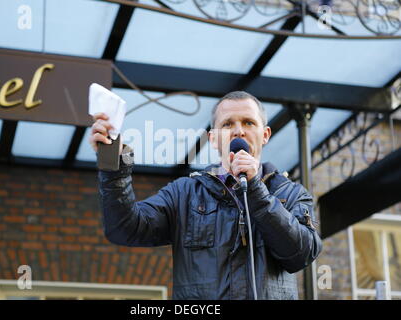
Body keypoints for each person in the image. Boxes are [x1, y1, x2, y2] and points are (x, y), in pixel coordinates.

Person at [89, 91, 322, 300]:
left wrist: (255, 189)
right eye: (228, 124)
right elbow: (125, 229)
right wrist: (115, 166)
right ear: (212, 138)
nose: (239, 130)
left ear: (265, 134)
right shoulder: (184, 193)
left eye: (249, 122)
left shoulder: (291, 194)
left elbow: (300, 255)